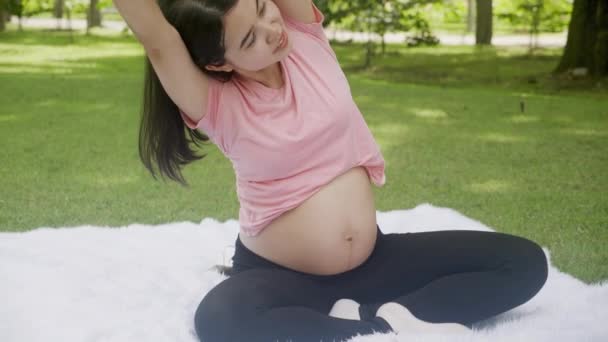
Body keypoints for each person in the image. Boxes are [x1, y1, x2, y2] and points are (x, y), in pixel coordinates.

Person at [112, 1, 549, 341]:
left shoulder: (305, 37)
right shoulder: (216, 105)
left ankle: (386, 315)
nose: (272, 30)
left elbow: (278, 20)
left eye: (266, 10)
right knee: (220, 321)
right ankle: (375, 329)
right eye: (249, 40)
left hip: (374, 263)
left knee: (523, 263)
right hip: (282, 278)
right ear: (219, 63)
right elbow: (159, 41)